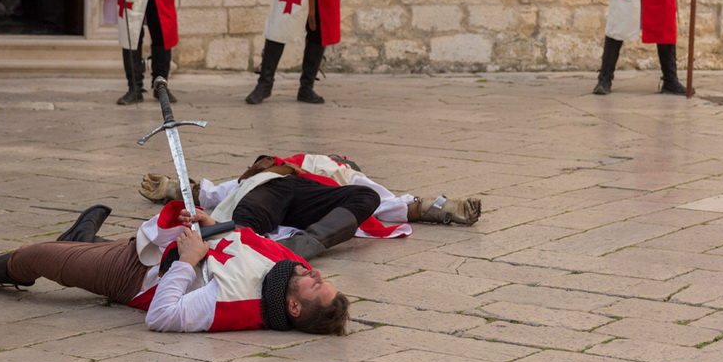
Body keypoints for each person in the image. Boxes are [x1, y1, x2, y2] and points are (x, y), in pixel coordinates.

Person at [0, 202, 349, 335]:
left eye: (315, 287)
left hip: (131, 275)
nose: (314, 275)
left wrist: (189, 260)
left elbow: (163, 316)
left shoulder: (236, 307)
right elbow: (243, 238)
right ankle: (81, 240)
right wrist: (208, 224)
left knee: (35, 257)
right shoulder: (287, 270)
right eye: (321, 278)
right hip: (154, 251)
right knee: (78, 254)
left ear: (292, 308)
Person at [139, 152, 482, 250]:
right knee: (254, 214)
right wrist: (179, 189)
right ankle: (234, 235)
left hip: (304, 211)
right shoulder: (289, 167)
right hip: (271, 195)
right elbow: (231, 188)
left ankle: (308, 244)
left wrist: (431, 207)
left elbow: (374, 198)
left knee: (363, 194)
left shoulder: (338, 177)